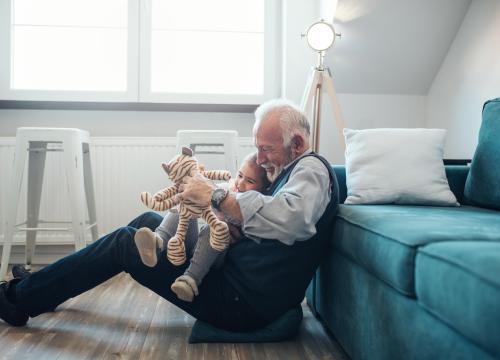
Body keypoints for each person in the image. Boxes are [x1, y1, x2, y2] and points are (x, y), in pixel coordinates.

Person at [0, 99, 339, 332]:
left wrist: (217, 195)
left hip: (241, 301)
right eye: (258, 147)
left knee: (125, 244)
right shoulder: (289, 169)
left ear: (296, 143)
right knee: (148, 222)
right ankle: (41, 287)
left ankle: (20, 298)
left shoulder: (310, 169)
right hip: (234, 278)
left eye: (267, 148)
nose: (260, 157)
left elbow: (293, 218)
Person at [134, 152, 270, 302]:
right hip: (196, 248)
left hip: (214, 259)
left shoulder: (254, 209)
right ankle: (158, 241)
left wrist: (224, 224)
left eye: (250, 181)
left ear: (263, 189)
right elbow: (211, 192)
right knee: (185, 205)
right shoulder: (228, 191)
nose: (240, 183)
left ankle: (189, 280)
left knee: (212, 229)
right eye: (240, 175)